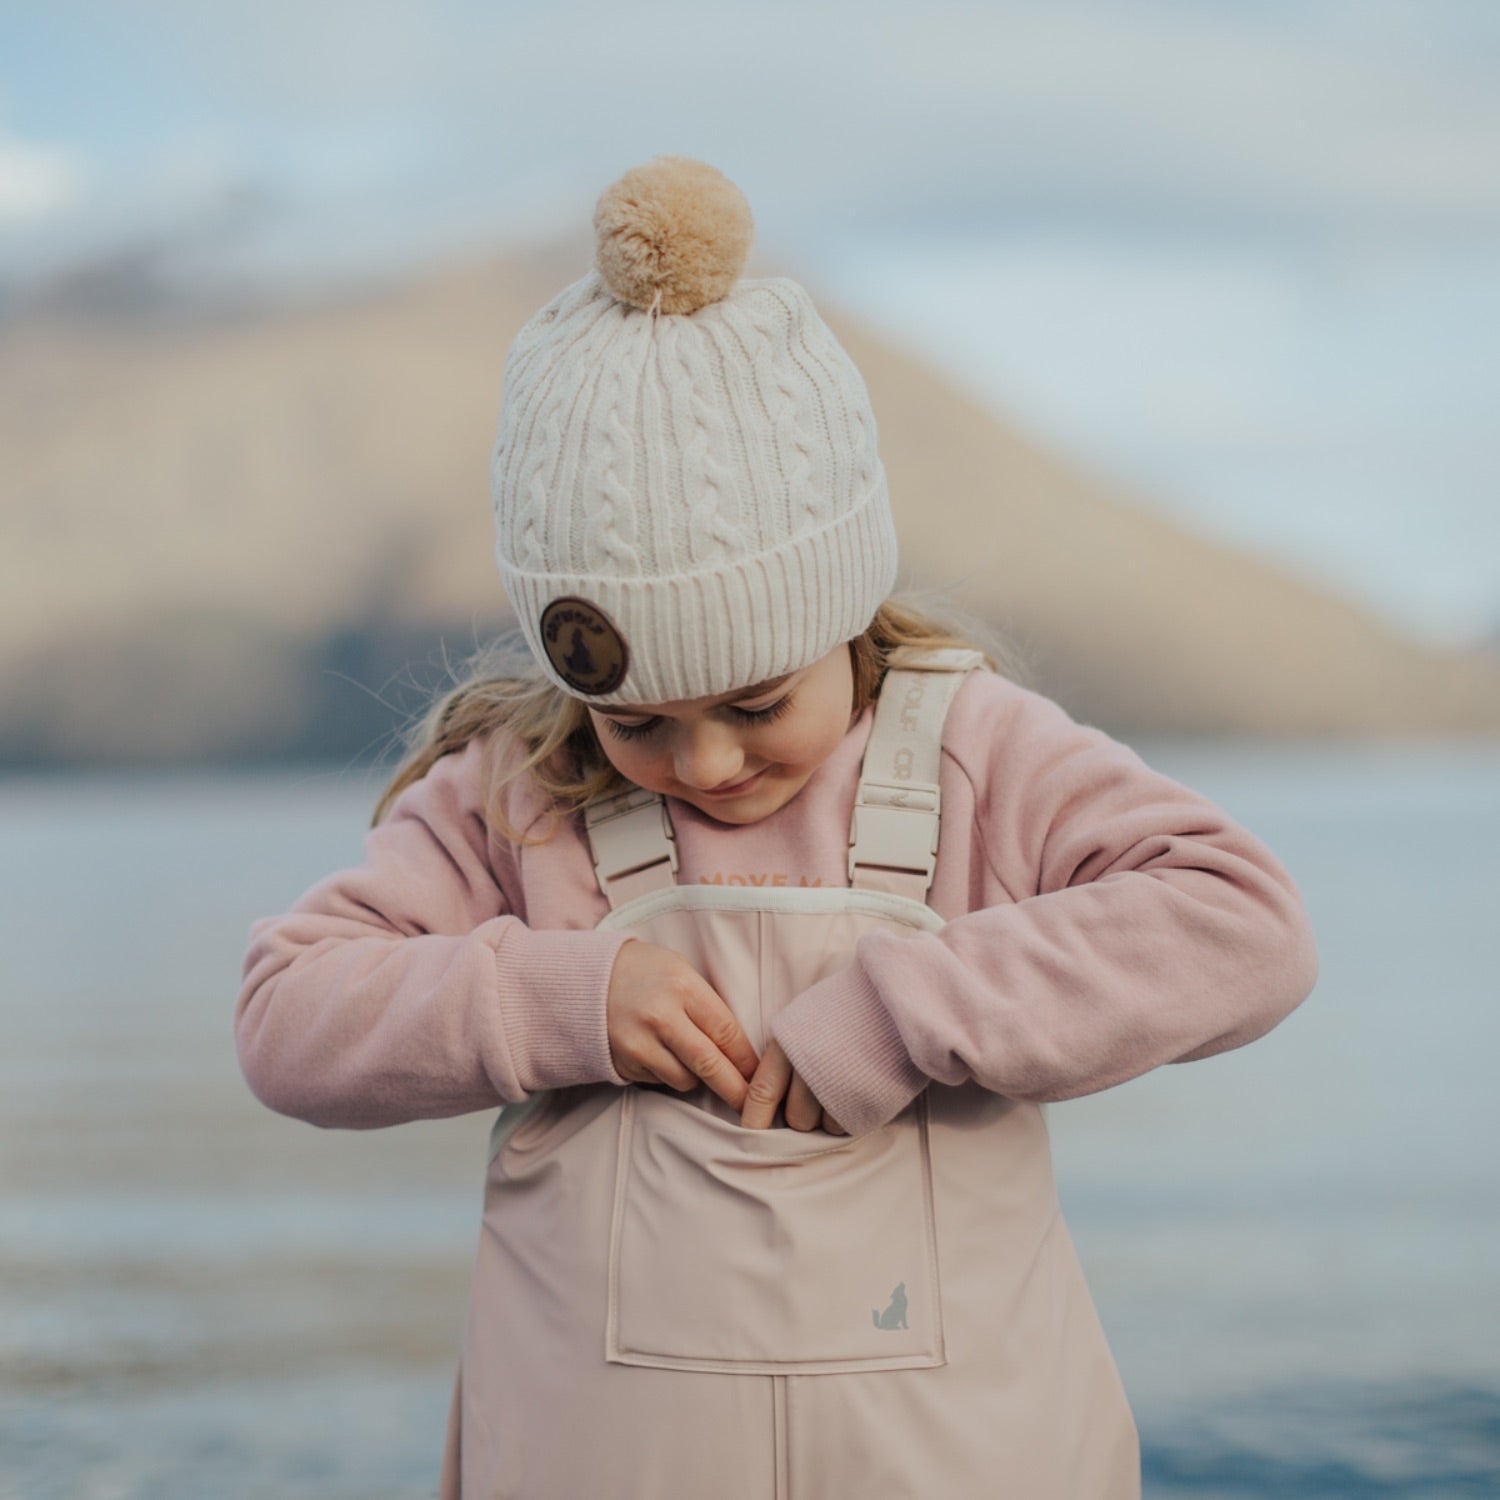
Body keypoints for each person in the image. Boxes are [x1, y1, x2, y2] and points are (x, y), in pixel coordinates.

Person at [235, 156, 1319, 1500]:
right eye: (637, 720)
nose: (702, 763)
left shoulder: (973, 750)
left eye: (756, 702)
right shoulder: (525, 788)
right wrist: (557, 995)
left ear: (843, 617)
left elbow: (1244, 928)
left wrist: (910, 1003)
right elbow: (287, 1018)